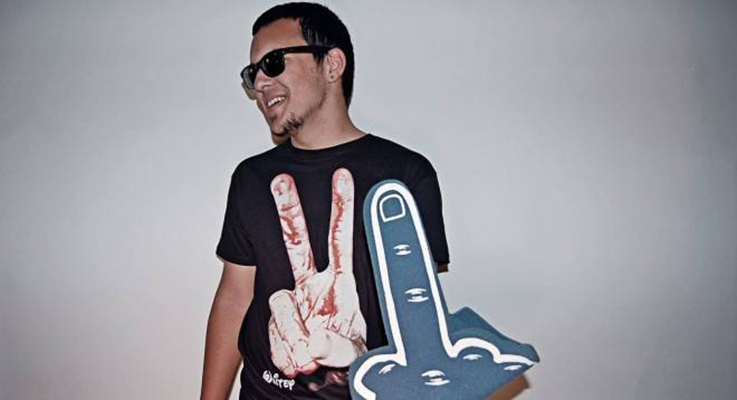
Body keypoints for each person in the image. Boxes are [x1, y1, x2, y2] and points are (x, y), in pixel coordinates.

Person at [201, 3, 450, 399]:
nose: (260, 83)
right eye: (252, 73)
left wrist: (357, 356)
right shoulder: (251, 178)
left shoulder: (405, 176)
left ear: (332, 65)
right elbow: (234, 298)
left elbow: (417, 317)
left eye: (273, 63)